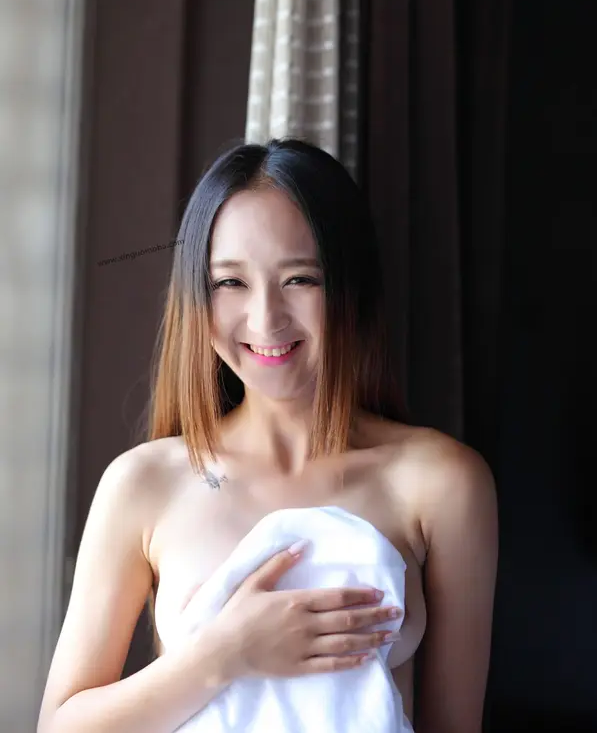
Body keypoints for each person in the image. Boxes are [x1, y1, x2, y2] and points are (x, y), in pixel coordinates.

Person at [38, 138, 498, 733]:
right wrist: (225, 652)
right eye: (230, 283)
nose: (266, 319)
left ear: (352, 288)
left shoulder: (442, 483)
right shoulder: (144, 483)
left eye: (300, 279)